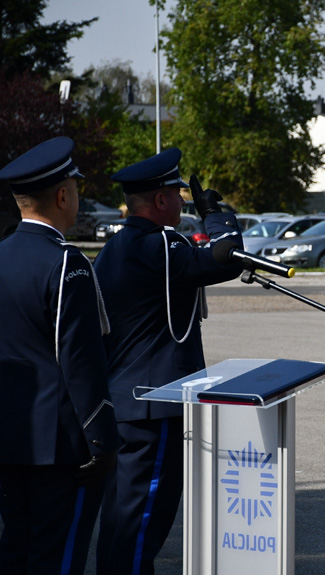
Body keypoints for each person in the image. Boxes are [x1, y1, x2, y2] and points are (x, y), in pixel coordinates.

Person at [94, 148, 243, 575]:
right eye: (178, 196)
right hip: (154, 407)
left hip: (125, 403)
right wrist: (215, 214)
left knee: (122, 523)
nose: (183, 202)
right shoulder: (160, 244)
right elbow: (226, 257)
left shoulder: (115, 247)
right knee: (142, 525)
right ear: (160, 201)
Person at [0, 137, 120, 574]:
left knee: (15, 551)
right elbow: (81, 362)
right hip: (63, 450)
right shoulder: (66, 263)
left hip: (10, 438)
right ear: (63, 196)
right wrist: (104, 440)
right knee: (57, 559)